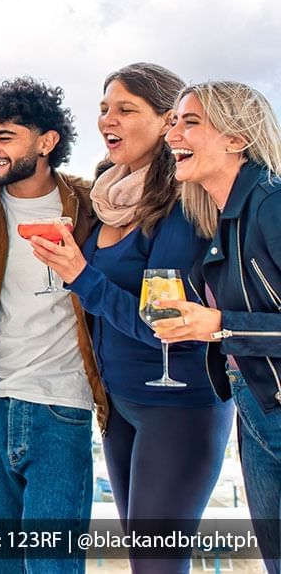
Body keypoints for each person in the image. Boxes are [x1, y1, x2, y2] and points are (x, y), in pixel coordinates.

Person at [31, 64, 233, 573]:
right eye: (103, 108)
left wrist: (79, 274)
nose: (107, 119)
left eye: (125, 109)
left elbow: (165, 325)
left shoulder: (184, 206)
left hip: (178, 405)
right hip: (120, 404)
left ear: (168, 123)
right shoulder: (109, 193)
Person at [0, 77, 107, 574]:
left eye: (5, 137)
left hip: (60, 407)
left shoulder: (88, 205)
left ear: (46, 142)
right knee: (5, 567)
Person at [156, 81, 281, 573]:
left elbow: (228, 324)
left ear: (235, 139)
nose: (173, 135)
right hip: (255, 400)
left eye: (191, 122)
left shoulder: (270, 202)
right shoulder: (222, 215)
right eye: (173, 123)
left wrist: (220, 326)